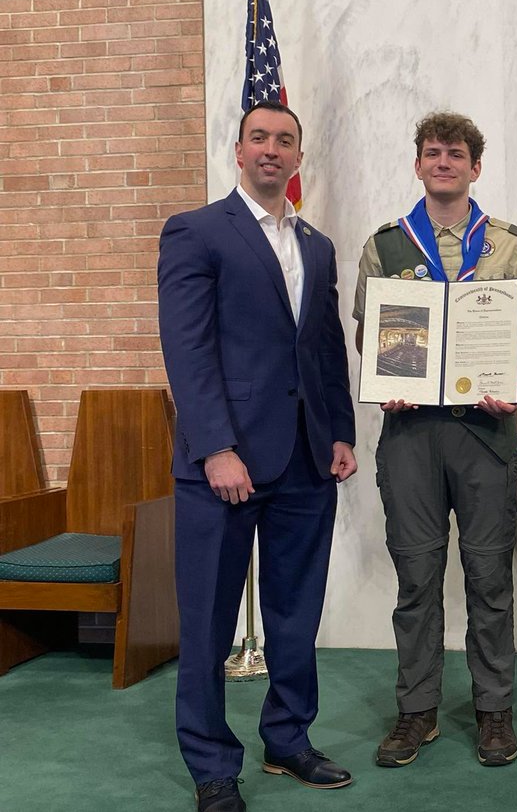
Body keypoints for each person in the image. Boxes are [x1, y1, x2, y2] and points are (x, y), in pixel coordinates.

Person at [158, 99, 358, 812]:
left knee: (295, 613)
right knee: (208, 622)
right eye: (260, 138)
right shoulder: (196, 231)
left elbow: (325, 347)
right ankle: (212, 766)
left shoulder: (317, 246)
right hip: (224, 462)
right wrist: (216, 447)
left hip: (306, 459)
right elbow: (187, 350)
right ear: (238, 150)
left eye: (285, 140)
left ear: (299, 157)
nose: (272, 149)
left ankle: (288, 739)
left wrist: (340, 432)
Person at [353, 111, 517, 769]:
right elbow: (369, 333)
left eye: (456, 153)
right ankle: (417, 711)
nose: (444, 162)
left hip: (484, 430)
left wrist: (510, 380)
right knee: (416, 577)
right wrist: (388, 378)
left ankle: (495, 711)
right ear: (418, 165)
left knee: (489, 576)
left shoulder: (508, 244)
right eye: (433, 152)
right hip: (411, 431)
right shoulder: (386, 245)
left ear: (475, 167)